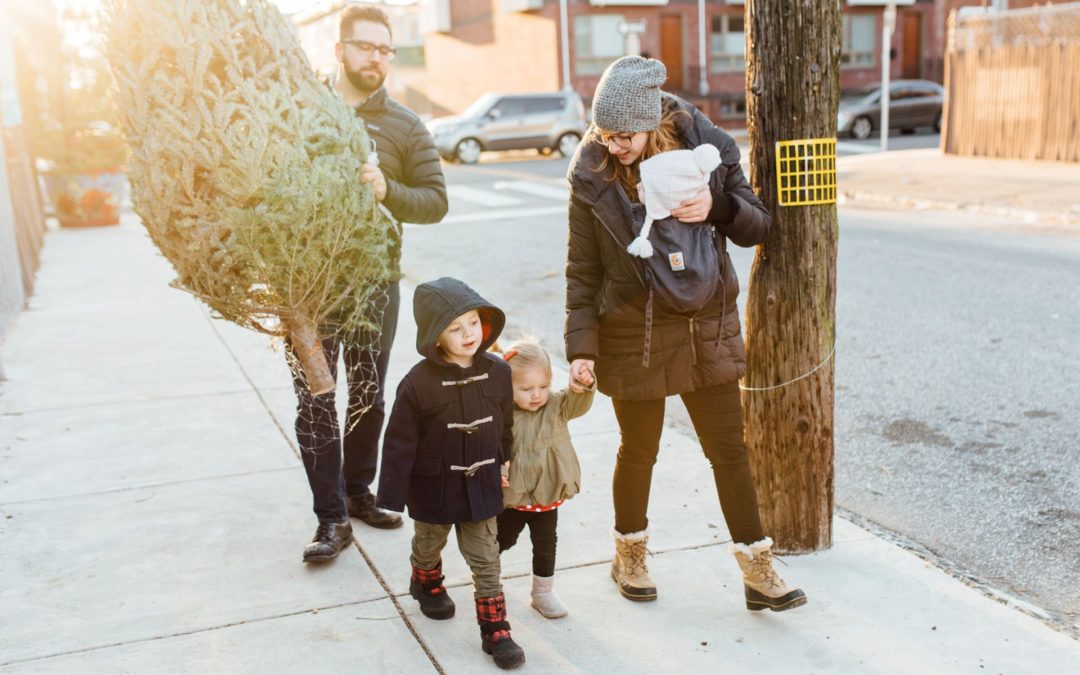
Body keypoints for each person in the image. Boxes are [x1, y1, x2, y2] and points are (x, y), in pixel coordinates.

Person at [564, 56, 807, 612]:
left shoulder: (706, 150)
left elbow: (758, 223)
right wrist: (581, 348)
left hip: (704, 324)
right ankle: (628, 555)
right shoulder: (593, 173)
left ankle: (757, 569)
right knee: (639, 450)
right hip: (633, 328)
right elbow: (583, 270)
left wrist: (715, 206)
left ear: (652, 121)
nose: (615, 144)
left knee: (729, 451)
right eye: (605, 133)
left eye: (625, 134)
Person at [291, 4, 448, 563]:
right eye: (366, 47)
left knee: (367, 397)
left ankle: (357, 492)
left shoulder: (405, 125)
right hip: (305, 289)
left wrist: (389, 192)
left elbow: (435, 201)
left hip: (374, 283)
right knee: (315, 398)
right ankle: (330, 518)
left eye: (386, 49)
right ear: (339, 50)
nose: (377, 58)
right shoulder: (299, 110)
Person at [376, 277, 526, 670]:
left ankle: (496, 628)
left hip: (482, 483)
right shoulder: (417, 384)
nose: (468, 334)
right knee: (430, 541)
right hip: (434, 486)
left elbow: (505, 424)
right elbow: (398, 442)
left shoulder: (497, 372)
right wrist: (391, 495)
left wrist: (504, 459)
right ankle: (425, 580)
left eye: (474, 322)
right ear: (434, 336)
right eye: (455, 328)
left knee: (486, 557)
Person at [496, 337, 595, 619]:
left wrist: (582, 386)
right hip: (514, 497)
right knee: (502, 539)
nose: (536, 395)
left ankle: (542, 592)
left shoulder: (556, 406)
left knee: (546, 545)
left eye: (543, 386)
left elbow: (578, 403)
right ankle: (488, 580)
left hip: (547, 495)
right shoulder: (503, 415)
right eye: (526, 389)